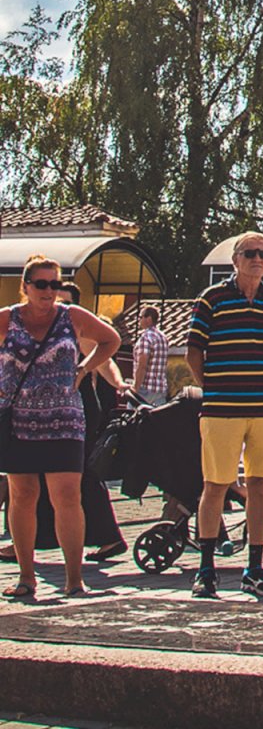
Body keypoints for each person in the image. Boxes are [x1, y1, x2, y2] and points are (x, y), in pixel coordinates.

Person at [0, 255, 121, 600]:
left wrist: (84, 367)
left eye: (55, 284)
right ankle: (27, 577)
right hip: (18, 421)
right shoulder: (8, 319)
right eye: (41, 284)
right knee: (22, 497)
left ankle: (74, 579)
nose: (49, 291)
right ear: (25, 287)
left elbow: (110, 341)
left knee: (67, 495)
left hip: (65, 419)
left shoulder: (73, 317)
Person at [187, 231, 263, 600]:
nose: (258, 260)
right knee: (214, 485)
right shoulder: (212, 298)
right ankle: (205, 569)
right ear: (235, 259)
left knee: (260, 488)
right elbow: (193, 353)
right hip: (222, 408)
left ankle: (254, 568)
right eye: (250, 253)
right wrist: (215, 386)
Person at [131, 306, 170, 406]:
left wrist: (135, 388)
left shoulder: (146, 337)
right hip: (160, 389)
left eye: (141, 317)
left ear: (148, 319)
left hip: (145, 389)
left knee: (130, 416)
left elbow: (142, 365)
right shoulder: (163, 338)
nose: (139, 320)